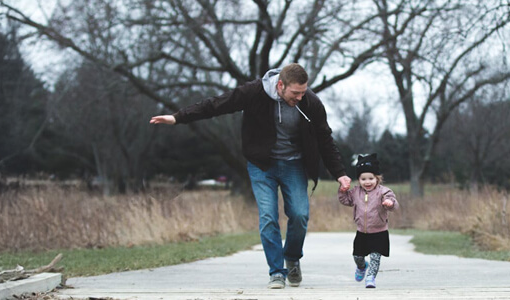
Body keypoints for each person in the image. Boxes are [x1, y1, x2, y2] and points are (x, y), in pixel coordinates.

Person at [149, 63, 352, 289]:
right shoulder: (254, 92)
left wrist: (340, 174)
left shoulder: (310, 102)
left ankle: (292, 258)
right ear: (280, 85)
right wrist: (177, 117)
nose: (299, 97)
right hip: (261, 164)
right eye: (295, 93)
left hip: (293, 164)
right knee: (268, 217)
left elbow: (325, 139)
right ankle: (276, 272)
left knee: (299, 215)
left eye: (303, 92)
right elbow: (217, 105)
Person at [338, 153, 398, 288]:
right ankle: (362, 266)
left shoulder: (383, 192)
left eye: (371, 178)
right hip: (362, 232)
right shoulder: (355, 192)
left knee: (376, 258)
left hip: (379, 232)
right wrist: (342, 191)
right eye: (363, 179)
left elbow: (394, 203)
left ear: (377, 178)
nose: (367, 182)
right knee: (358, 257)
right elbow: (345, 200)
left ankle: (370, 278)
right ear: (359, 180)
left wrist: (390, 203)